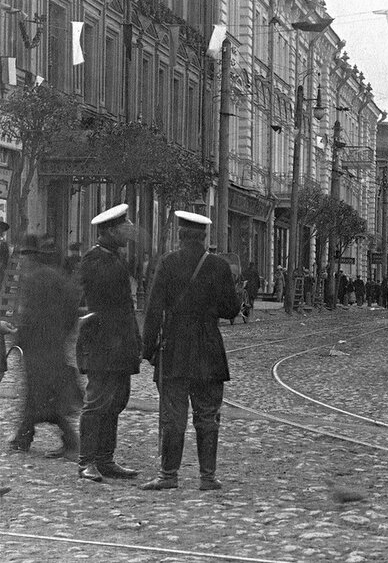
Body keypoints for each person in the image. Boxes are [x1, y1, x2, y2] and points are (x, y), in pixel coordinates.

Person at [140, 212, 241, 491]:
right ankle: (207, 477)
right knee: (208, 415)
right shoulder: (219, 266)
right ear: (205, 237)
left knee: (173, 416)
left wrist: (148, 350)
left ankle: (168, 475)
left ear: (181, 235)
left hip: (174, 350)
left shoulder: (168, 263)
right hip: (209, 349)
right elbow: (230, 310)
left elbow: (153, 310)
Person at [75, 204, 141, 483]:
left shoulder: (114, 257)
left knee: (116, 402)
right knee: (97, 402)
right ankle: (86, 461)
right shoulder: (95, 259)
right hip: (102, 342)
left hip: (120, 342)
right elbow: (102, 301)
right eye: (124, 226)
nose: (129, 230)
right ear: (111, 231)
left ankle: (105, 459)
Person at [7, 236, 82, 460]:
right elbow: (73, 311)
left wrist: (19, 339)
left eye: (26, 256)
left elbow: (28, 315)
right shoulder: (61, 279)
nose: (24, 261)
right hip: (53, 346)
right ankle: (25, 436)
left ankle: (64, 439)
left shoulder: (35, 280)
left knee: (40, 395)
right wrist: (62, 335)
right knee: (41, 395)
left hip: (36, 348)